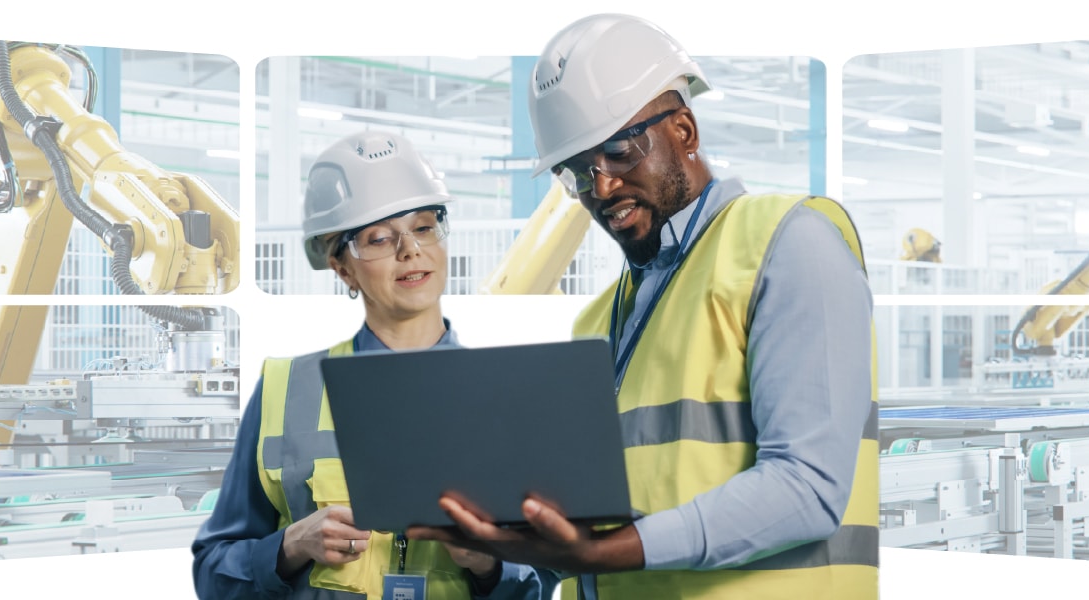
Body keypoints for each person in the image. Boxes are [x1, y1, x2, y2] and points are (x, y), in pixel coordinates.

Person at [408, 13, 879, 600]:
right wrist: (493, 556)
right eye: (578, 172)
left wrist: (613, 550)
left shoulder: (787, 244)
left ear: (684, 130)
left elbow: (808, 487)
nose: (601, 187)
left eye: (619, 151)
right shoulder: (598, 321)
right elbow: (590, 535)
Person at [191, 131, 558, 600]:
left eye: (424, 227)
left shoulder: (507, 395)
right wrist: (289, 546)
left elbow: (550, 578)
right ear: (342, 268)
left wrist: (489, 563)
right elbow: (213, 574)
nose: (410, 250)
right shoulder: (286, 390)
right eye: (380, 238)